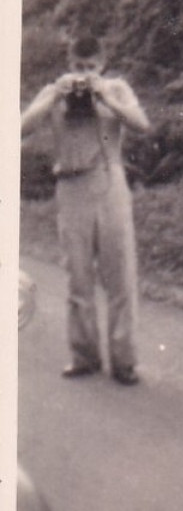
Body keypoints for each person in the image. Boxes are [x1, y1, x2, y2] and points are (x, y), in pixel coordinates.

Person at [21, 34, 150, 385]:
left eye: (91, 68)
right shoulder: (55, 92)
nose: (84, 74)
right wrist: (53, 99)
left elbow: (142, 124)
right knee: (77, 277)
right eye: (78, 67)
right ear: (69, 63)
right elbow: (19, 129)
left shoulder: (116, 88)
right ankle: (84, 356)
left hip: (109, 181)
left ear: (102, 65)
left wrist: (105, 96)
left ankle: (125, 362)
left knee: (120, 275)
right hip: (71, 186)